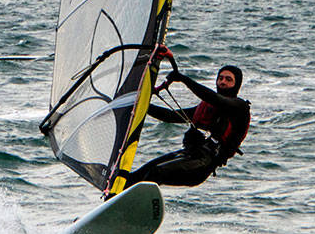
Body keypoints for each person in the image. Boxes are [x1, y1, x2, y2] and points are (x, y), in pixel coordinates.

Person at [105, 49, 250, 197]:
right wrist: (140, 105)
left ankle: (134, 208)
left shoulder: (239, 108)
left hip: (201, 166)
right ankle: (113, 199)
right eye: (221, 78)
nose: (223, 82)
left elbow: (214, 98)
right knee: (138, 175)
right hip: (188, 155)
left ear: (236, 85)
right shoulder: (206, 108)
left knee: (156, 173)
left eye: (228, 79)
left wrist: (183, 78)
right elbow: (169, 116)